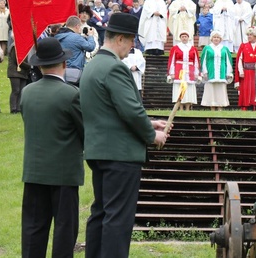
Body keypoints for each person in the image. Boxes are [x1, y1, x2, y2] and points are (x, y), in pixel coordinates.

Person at [80, 13, 168, 258]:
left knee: (101, 214)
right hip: (120, 154)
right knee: (118, 219)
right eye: (131, 41)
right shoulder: (115, 68)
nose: (133, 47)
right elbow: (130, 110)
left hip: (99, 151)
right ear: (120, 39)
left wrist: (149, 122)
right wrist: (152, 135)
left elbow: (109, 110)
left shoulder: (93, 65)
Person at [20, 37, 83, 258]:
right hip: (63, 175)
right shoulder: (71, 94)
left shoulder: (27, 92)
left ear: (39, 65)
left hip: (34, 171)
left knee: (32, 229)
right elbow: (85, 130)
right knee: (65, 230)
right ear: (64, 64)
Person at [200, 30, 233, 110]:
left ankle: (220, 107)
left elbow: (228, 61)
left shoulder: (224, 49)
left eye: (218, 37)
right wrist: (205, 72)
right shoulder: (207, 48)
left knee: (220, 90)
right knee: (211, 90)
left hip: (221, 72)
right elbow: (203, 60)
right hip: (210, 72)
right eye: (214, 37)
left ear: (220, 39)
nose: (216, 39)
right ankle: (212, 107)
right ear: (211, 39)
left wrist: (228, 72)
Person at [167, 31, 200, 111]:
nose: (184, 38)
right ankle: (180, 107)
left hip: (190, 70)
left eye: (186, 36)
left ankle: (188, 107)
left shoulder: (193, 48)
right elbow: (172, 61)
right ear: (180, 38)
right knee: (179, 89)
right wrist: (171, 73)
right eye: (183, 37)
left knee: (189, 89)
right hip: (179, 70)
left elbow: (196, 61)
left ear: (188, 38)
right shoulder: (175, 48)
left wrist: (196, 73)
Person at [7, 33, 30, 114]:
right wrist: (29, 66)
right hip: (15, 72)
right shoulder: (14, 47)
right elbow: (18, 61)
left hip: (23, 72)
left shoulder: (23, 46)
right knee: (16, 90)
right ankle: (13, 108)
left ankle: (19, 108)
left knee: (21, 91)